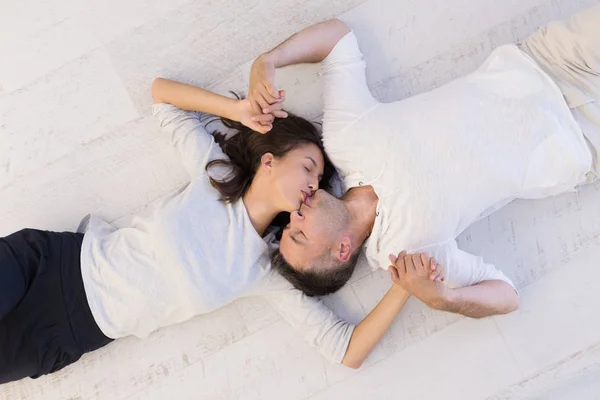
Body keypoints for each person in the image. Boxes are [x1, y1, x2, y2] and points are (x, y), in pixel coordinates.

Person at [0, 78, 445, 384]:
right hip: (53, 263)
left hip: (66, 333)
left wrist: (404, 287)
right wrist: (236, 110)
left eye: (317, 178)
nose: (314, 184)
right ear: (270, 160)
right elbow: (161, 96)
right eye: (308, 167)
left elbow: (345, 350)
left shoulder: (268, 268)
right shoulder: (214, 173)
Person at [250, 6, 600, 317]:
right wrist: (443, 298)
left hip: (547, 62)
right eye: (299, 235)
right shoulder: (407, 256)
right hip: (582, 146)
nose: (294, 214)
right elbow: (507, 296)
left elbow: (337, 38)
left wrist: (269, 60)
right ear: (342, 249)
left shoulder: (346, 139)